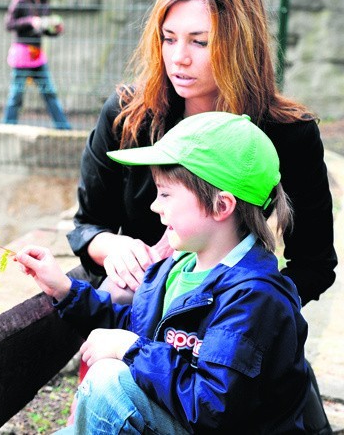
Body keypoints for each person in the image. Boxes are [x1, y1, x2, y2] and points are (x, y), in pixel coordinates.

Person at [16, 111, 313, 433]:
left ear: (221, 206)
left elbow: (213, 406)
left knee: (108, 382)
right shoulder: (176, 269)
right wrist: (64, 289)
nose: (155, 206)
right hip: (179, 417)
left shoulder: (253, 297)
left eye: (166, 194)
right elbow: (139, 327)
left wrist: (131, 349)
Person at [67, 0, 336, 305]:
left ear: (239, 45)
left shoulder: (290, 134)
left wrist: (251, 312)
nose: (178, 58)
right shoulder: (127, 114)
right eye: (168, 38)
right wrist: (115, 248)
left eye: (200, 42)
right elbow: (86, 226)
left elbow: (314, 264)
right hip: (133, 301)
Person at [2, 0, 71, 130]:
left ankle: (63, 128)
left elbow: (44, 30)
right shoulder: (19, 1)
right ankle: (6, 128)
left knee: (49, 93)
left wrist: (55, 30)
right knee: (16, 96)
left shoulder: (44, 4)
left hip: (37, 57)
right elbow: (9, 24)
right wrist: (30, 21)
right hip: (22, 55)